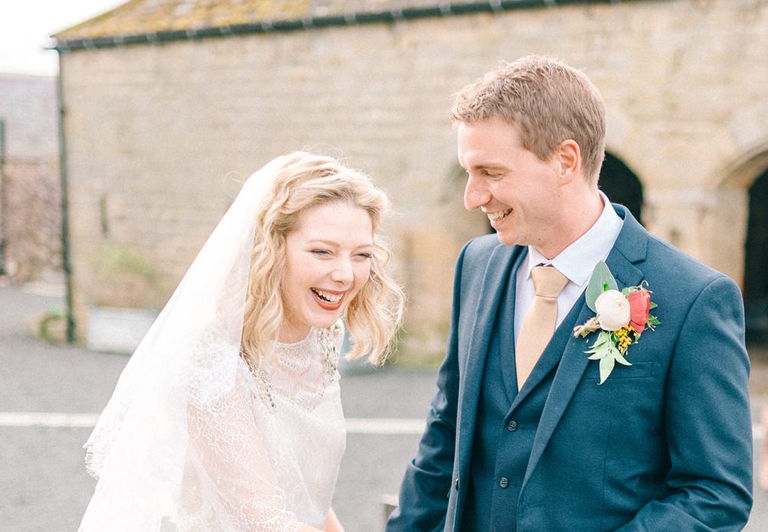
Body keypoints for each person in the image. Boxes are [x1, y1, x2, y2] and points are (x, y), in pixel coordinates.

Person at [387, 55, 753, 531]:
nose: (473, 197)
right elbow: (444, 440)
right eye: (468, 173)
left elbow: (715, 493)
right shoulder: (475, 265)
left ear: (565, 161)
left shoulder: (694, 299)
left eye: (492, 174)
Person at [79, 152, 405, 531]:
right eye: (322, 251)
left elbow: (302, 495)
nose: (346, 274)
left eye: (361, 255)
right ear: (271, 249)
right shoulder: (212, 365)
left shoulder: (321, 338)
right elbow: (267, 519)